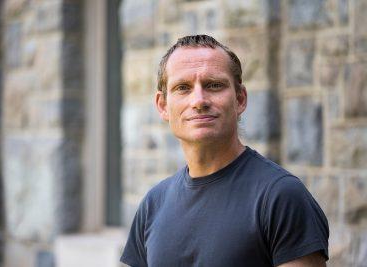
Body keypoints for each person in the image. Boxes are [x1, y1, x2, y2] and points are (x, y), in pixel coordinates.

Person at [120, 35, 329, 267]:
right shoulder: (153, 204)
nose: (199, 100)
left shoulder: (281, 197)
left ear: (240, 99)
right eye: (183, 88)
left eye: (214, 85)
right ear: (163, 106)